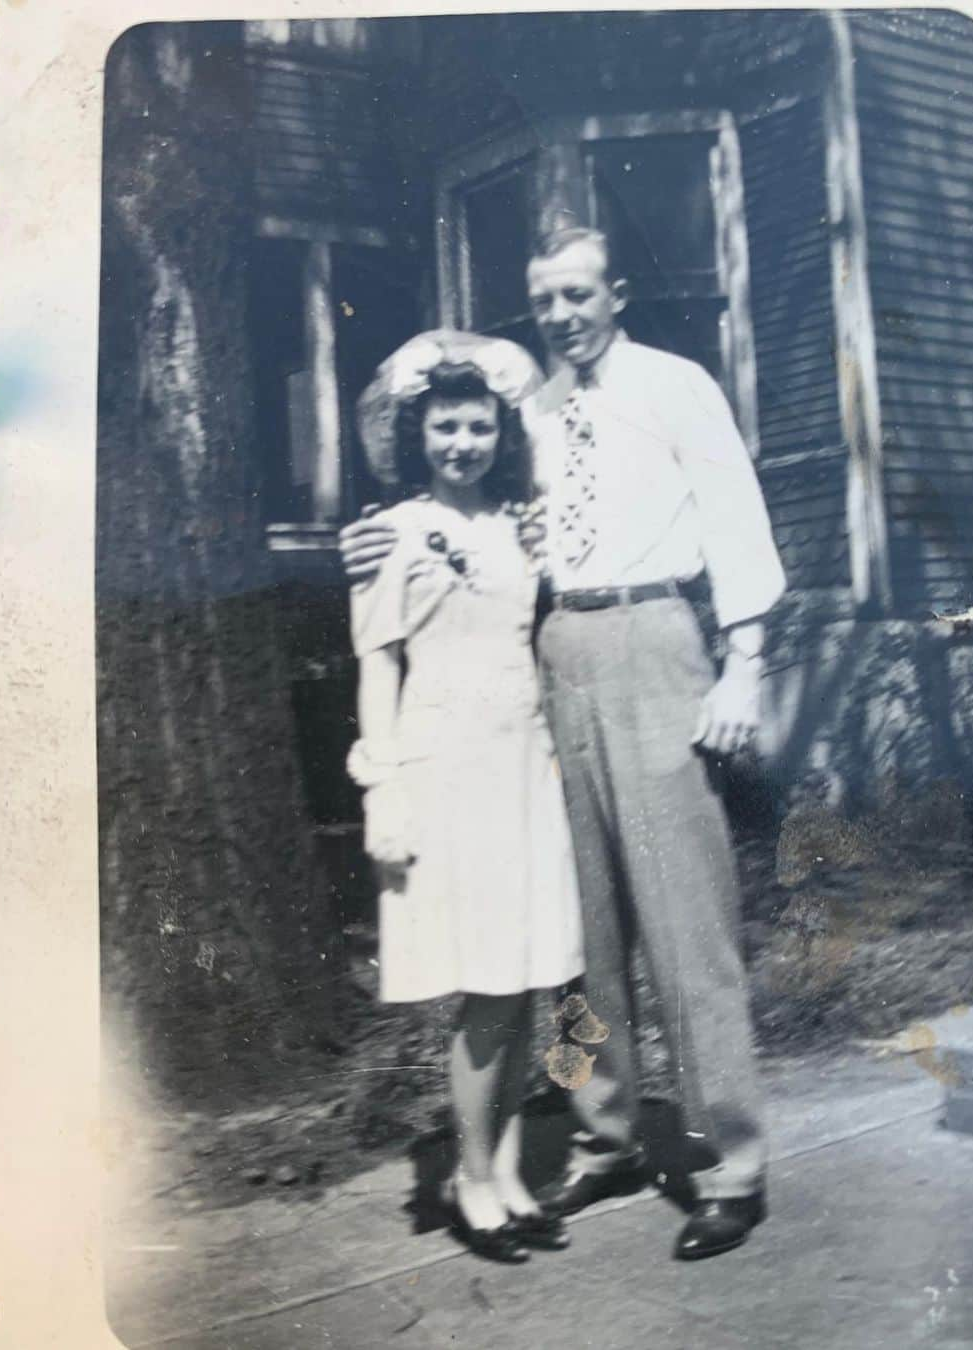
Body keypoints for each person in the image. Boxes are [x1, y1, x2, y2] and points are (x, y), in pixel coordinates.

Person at [342, 228, 786, 1262]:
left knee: (684, 918)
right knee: (572, 931)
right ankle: (609, 1130)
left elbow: (736, 516)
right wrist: (365, 535)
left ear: (616, 293)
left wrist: (746, 661)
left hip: (654, 638)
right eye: (546, 300)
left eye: (580, 295)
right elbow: (464, 513)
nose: (563, 315)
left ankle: (733, 1159)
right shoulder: (527, 413)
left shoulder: (677, 387)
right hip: (550, 655)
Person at [346, 332, 584, 1264]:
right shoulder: (389, 533)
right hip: (446, 768)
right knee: (484, 987)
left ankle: (510, 1171)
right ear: (420, 433)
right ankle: (467, 1180)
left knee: (527, 980)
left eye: (478, 425)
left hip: (523, 762)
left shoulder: (521, 526)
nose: (462, 442)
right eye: (445, 425)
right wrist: (384, 791)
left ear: (499, 431)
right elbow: (376, 671)